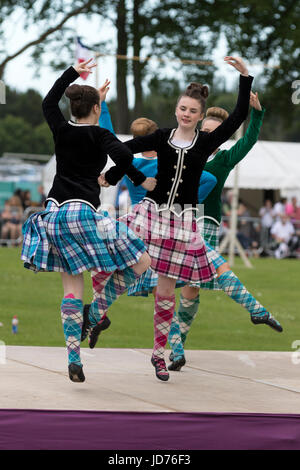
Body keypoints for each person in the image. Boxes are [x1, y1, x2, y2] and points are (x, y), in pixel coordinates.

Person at [95, 56, 254, 382]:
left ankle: (158, 354)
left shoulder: (206, 142)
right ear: (176, 110)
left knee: (164, 291)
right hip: (145, 220)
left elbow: (237, 117)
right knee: (105, 256)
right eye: (183, 108)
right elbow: (121, 145)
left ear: (199, 115)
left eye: (193, 110)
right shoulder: (161, 140)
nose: (186, 113)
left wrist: (245, 78)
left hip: (177, 226)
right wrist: (112, 172)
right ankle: (94, 315)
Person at [21, 59, 154, 383]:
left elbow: (49, 101)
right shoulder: (100, 134)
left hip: (55, 216)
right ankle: (94, 314)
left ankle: (73, 357)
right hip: (85, 214)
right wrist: (111, 176)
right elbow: (123, 155)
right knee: (142, 261)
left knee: (71, 287)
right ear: (96, 108)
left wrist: (74, 73)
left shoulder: (61, 128)